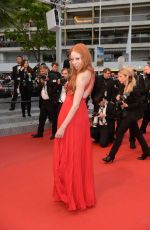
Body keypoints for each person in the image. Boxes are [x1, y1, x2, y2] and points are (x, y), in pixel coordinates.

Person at [53, 43, 96, 211]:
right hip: (78, 116)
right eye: (72, 59)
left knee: (69, 155)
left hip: (72, 117)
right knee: (76, 154)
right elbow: (85, 96)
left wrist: (62, 126)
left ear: (84, 57)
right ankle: (78, 193)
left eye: (78, 58)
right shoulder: (90, 72)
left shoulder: (81, 75)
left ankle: (73, 195)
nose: (74, 62)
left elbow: (76, 104)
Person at [102, 67, 150, 163]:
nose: (118, 78)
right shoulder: (122, 86)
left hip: (133, 113)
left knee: (120, 132)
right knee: (137, 133)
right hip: (127, 112)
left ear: (126, 77)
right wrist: (119, 97)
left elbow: (140, 103)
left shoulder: (134, 88)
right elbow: (122, 98)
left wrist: (128, 105)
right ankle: (146, 151)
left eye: (120, 76)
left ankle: (111, 156)